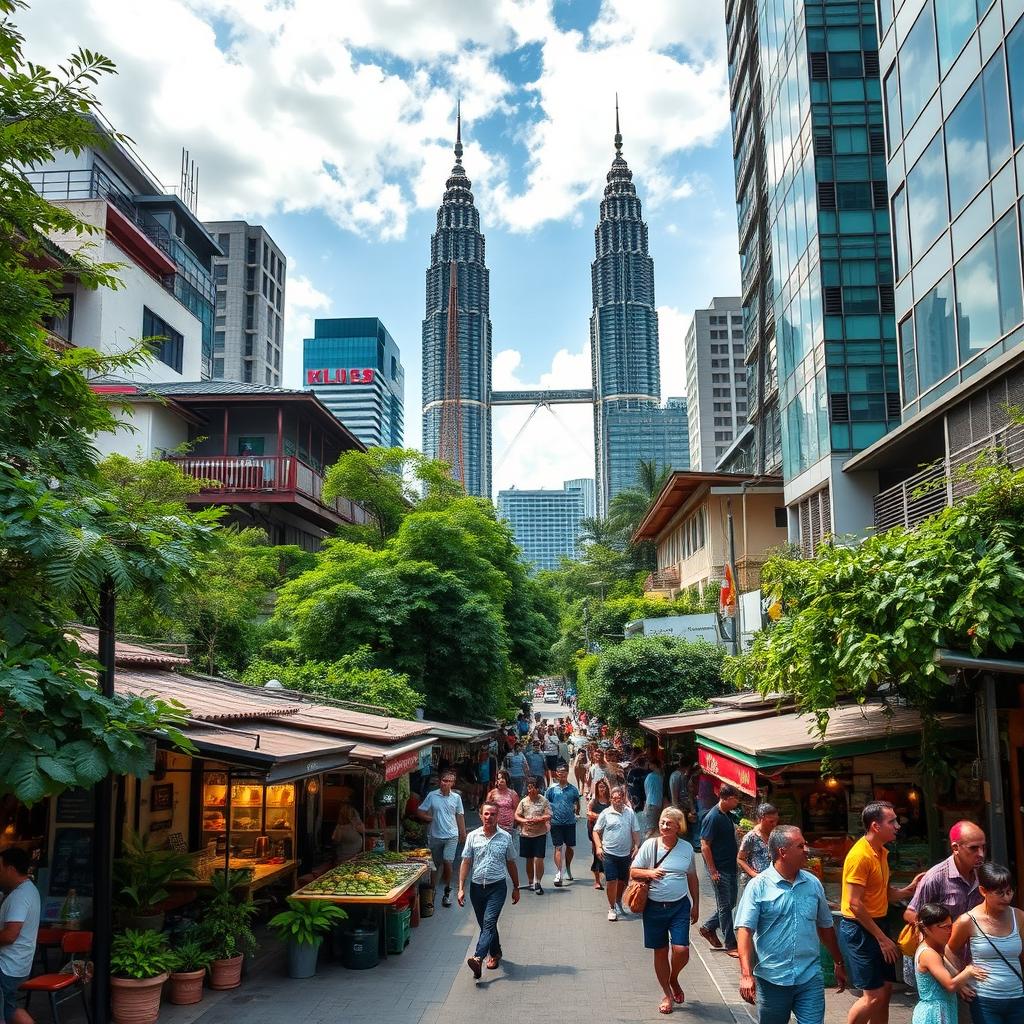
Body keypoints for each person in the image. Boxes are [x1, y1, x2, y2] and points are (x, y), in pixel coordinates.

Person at [735, 825, 847, 1024]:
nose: (807, 850)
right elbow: (744, 930)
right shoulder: (758, 886)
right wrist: (746, 974)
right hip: (772, 979)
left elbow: (825, 926)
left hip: (809, 976)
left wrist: (838, 962)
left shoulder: (813, 884)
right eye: (800, 846)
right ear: (783, 852)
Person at [839, 801, 924, 1024]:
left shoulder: (881, 852)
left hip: (878, 924)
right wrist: (882, 938)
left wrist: (909, 890)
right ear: (876, 826)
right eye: (892, 821)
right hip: (861, 929)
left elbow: (885, 894)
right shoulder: (861, 856)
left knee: (884, 991)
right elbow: (855, 904)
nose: (897, 825)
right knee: (873, 996)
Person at [630, 807, 700, 1015]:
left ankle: (673, 978)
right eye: (662, 822)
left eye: (669, 823)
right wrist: (650, 873)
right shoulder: (650, 845)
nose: (664, 826)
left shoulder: (687, 848)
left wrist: (696, 904)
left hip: (679, 906)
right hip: (653, 906)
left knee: (681, 950)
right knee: (660, 951)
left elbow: (692, 877)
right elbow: (633, 871)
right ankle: (667, 994)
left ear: (679, 826)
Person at [948, 862, 1024, 1024]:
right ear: (983, 891)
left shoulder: (1019, 917)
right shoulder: (967, 921)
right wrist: (960, 979)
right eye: (1000, 893)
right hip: (985, 1000)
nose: (1006, 898)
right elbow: (949, 950)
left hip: (1018, 997)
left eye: (1009, 892)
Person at [457, 801, 520, 979]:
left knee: (489, 922)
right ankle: (496, 952)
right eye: (486, 814)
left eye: (493, 814)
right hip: (477, 888)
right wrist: (461, 888)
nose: (489, 817)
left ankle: (478, 957)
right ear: (480, 815)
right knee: (486, 925)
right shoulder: (473, 837)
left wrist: (516, 887)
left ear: (497, 816)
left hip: (497, 887)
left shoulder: (505, 838)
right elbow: (466, 862)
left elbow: (511, 862)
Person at [913, 903, 989, 1024]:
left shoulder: (936, 948)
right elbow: (950, 985)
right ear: (926, 928)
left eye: (950, 926)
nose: (949, 931)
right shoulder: (929, 954)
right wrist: (968, 971)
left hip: (943, 1010)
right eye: (944, 927)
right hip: (935, 1013)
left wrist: (961, 985)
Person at [906, 821, 987, 927]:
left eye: (983, 847)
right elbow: (911, 913)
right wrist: (938, 932)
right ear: (955, 848)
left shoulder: (985, 874)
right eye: (973, 848)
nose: (981, 854)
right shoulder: (935, 878)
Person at [699, 783, 742, 956]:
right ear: (727, 799)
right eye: (735, 799)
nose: (737, 803)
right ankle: (730, 943)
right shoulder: (713, 817)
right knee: (725, 906)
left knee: (731, 903)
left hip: (730, 867)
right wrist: (712, 870)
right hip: (720, 869)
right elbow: (704, 845)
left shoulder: (727, 816)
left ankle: (709, 927)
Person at [0, 848, 40, 1024]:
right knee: (9, 1008)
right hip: (18, 964)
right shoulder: (29, 890)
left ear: (10, 869)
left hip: (6, 966)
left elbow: (10, 935)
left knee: (7, 1010)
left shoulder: (19, 896)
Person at [416, 770, 467, 908]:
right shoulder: (432, 796)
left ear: (453, 783)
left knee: (447, 861)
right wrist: (429, 818)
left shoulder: (456, 798)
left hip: (452, 835)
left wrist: (463, 833)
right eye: (444, 780)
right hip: (435, 836)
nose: (446, 783)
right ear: (440, 781)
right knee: (435, 865)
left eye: (449, 781)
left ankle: (447, 890)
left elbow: (460, 815)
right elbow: (420, 811)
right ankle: (431, 891)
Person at [594, 785, 641, 921]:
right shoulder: (605, 813)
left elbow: (635, 831)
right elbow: (596, 831)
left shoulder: (630, 813)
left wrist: (637, 845)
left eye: (619, 798)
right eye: (614, 798)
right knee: (611, 880)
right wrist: (598, 847)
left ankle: (618, 900)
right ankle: (611, 907)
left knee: (622, 881)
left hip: (625, 854)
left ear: (622, 798)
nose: (617, 801)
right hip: (609, 853)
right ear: (611, 800)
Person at [545, 765, 581, 887]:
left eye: (565, 772)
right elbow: (546, 804)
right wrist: (547, 818)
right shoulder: (551, 790)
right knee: (558, 847)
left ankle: (568, 868)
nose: (562, 774)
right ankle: (559, 872)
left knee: (570, 847)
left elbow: (577, 802)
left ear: (567, 773)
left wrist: (576, 812)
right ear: (556, 774)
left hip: (570, 822)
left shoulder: (573, 789)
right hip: (556, 823)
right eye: (560, 772)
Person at [515, 777, 552, 893]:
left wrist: (540, 819)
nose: (532, 790)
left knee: (539, 858)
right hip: (526, 834)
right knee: (529, 859)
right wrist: (524, 821)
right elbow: (517, 815)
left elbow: (549, 815)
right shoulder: (523, 801)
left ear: (538, 788)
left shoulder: (543, 801)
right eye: (530, 788)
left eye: (534, 788)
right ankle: (531, 881)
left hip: (540, 833)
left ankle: (538, 882)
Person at [738, 803, 779, 879]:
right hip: (756, 881)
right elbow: (740, 859)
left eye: (776, 821)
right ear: (761, 819)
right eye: (771, 821)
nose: (774, 824)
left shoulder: (775, 835)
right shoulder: (751, 837)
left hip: (773, 879)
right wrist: (754, 874)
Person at [587, 778, 612, 890]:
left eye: (604, 787)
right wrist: (599, 816)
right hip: (595, 830)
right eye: (600, 787)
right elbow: (588, 812)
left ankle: (608, 875)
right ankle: (597, 881)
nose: (602, 789)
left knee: (608, 853)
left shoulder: (610, 801)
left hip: (608, 832)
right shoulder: (594, 800)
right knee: (597, 854)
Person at [331, 786, 366, 861]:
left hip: (347, 857)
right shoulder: (352, 821)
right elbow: (363, 830)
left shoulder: (339, 827)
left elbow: (335, 841)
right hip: (349, 858)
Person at [485, 770, 519, 837]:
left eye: (502, 778)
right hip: (495, 825)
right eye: (498, 779)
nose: (500, 780)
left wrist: (515, 823)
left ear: (507, 780)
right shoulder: (492, 793)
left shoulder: (513, 794)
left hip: (509, 826)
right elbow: (486, 809)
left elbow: (517, 810)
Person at [642, 757, 665, 838]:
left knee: (650, 828)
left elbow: (647, 790)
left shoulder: (651, 776)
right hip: (658, 803)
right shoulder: (662, 776)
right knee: (655, 826)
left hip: (651, 802)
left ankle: (647, 844)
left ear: (654, 765)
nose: (649, 765)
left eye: (650, 764)